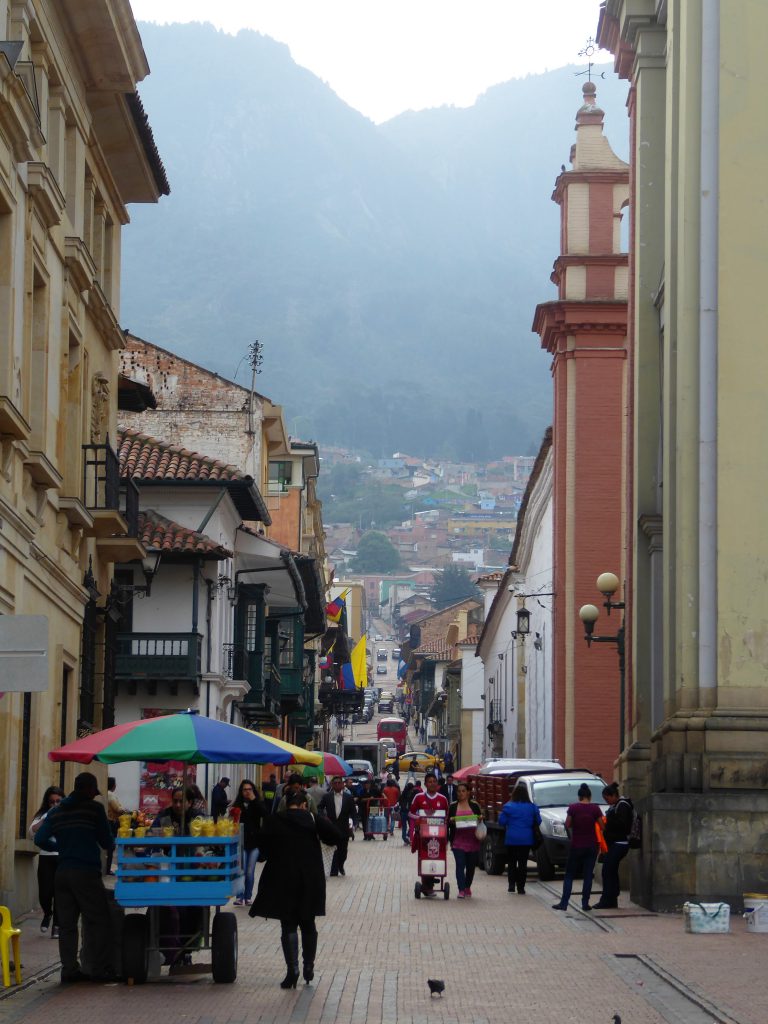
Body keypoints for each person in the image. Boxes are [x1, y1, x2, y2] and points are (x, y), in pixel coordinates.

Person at [249, 788, 341, 988]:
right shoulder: (312, 819)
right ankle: (309, 966)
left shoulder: (275, 819)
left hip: (282, 878)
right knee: (308, 923)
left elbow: (261, 844)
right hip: (310, 878)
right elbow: (335, 836)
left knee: (288, 924)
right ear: (304, 805)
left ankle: (293, 970)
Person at [34, 771, 115, 984]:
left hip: (62, 873)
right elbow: (106, 841)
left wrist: (59, 847)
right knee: (98, 920)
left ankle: (69, 969)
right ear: (89, 789)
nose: (94, 796)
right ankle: (98, 969)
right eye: (93, 792)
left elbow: (40, 838)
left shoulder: (57, 812)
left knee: (68, 924)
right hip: (86, 872)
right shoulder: (94, 809)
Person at [552, 783, 604, 911]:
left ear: (579, 796)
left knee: (569, 875)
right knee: (587, 875)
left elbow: (568, 824)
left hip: (577, 845)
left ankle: (564, 903)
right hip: (591, 846)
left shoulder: (573, 808)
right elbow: (602, 826)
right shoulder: (595, 809)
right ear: (589, 796)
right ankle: (585, 904)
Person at [28, 786, 64, 935]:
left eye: (58, 801)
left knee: (60, 892)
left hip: (62, 857)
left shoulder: (67, 814)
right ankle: (47, 913)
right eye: (52, 802)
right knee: (45, 892)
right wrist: (47, 817)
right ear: (47, 803)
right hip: (46, 857)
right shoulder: (43, 815)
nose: (55, 804)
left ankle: (57, 925)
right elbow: (32, 832)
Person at [593, 782, 633, 909]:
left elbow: (623, 825)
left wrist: (608, 822)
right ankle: (611, 898)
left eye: (607, 798)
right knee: (610, 870)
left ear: (614, 795)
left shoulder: (622, 806)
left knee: (608, 870)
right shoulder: (617, 806)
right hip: (616, 843)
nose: (606, 801)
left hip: (620, 843)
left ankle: (607, 899)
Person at [410, 773, 449, 897]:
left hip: (439, 837)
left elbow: (446, 817)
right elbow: (411, 813)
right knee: (425, 858)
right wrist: (420, 818)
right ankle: (427, 885)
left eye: (434, 781)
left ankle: (430, 884)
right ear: (425, 784)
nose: (432, 783)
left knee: (437, 857)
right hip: (423, 837)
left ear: (437, 783)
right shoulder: (418, 797)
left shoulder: (443, 799)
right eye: (430, 781)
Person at [498, 784, 542, 895]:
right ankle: (521, 888)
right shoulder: (532, 807)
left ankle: (511, 886)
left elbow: (502, 822)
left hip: (511, 839)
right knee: (522, 864)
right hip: (526, 839)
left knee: (512, 863)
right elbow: (539, 821)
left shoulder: (508, 806)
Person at [233, 780, 266, 906]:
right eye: (244, 789)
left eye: (249, 789)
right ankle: (239, 896)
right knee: (241, 870)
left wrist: (254, 800)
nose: (247, 792)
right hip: (241, 842)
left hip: (255, 843)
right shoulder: (238, 805)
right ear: (241, 792)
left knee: (250, 871)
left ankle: (248, 896)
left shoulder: (257, 803)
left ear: (253, 790)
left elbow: (265, 814)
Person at [448, 782, 483, 899]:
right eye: (459, 791)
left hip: (473, 841)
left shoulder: (475, 805)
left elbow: (481, 819)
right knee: (460, 865)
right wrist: (451, 821)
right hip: (458, 841)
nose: (461, 793)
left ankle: (467, 886)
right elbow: (447, 821)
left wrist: (480, 818)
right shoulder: (453, 806)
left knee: (471, 866)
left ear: (468, 792)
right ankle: (461, 889)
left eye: (463, 791)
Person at [318, 776, 357, 875]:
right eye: (335, 783)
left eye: (339, 783)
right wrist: (324, 817)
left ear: (343, 784)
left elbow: (353, 812)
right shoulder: (327, 797)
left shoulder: (349, 797)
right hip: (331, 828)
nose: (337, 784)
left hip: (344, 828)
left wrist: (354, 824)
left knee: (343, 851)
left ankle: (341, 865)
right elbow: (319, 808)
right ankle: (334, 870)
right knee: (333, 849)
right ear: (332, 784)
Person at [105, 777, 123, 875]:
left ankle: (107, 868)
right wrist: (125, 811)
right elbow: (117, 809)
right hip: (111, 822)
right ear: (113, 785)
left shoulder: (106, 793)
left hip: (109, 821)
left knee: (109, 847)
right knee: (111, 847)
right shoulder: (110, 795)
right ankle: (107, 869)